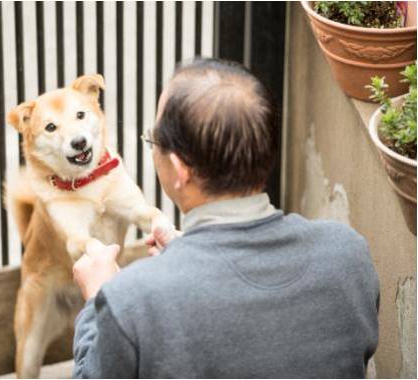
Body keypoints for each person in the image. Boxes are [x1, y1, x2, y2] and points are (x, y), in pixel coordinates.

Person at [72, 58, 379, 378]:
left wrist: (97, 302)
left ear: (180, 170)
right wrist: (186, 257)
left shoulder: (131, 301)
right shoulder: (347, 254)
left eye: (154, 140)